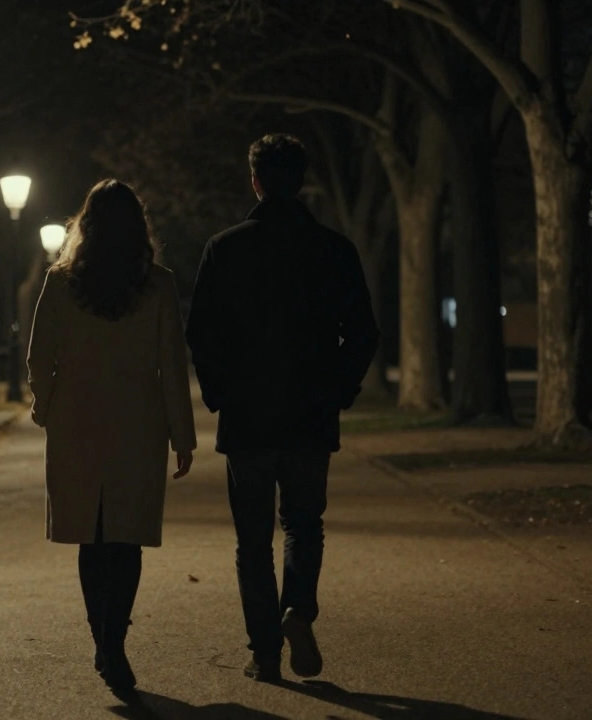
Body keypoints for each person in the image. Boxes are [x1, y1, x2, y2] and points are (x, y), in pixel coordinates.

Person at [185, 134, 380, 683]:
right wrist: (339, 389)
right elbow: (363, 332)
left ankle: (264, 651)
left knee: (252, 541)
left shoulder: (225, 248)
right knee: (304, 523)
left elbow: (201, 332)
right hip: (310, 414)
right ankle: (298, 609)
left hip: (247, 415)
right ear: (302, 182)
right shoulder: (334, 250)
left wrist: (220, 392)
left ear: (255, 181)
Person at [27, 179, 197, 694]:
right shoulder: (158, 284)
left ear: (87, 226)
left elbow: (40, 356)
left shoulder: (61, 282)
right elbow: (172, 362)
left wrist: (46, 406)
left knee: (91, 536)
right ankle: (113, 640)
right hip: (137, 424)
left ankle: (102, 639)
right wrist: (181, 434)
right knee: (125, 538)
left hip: (76, 423)